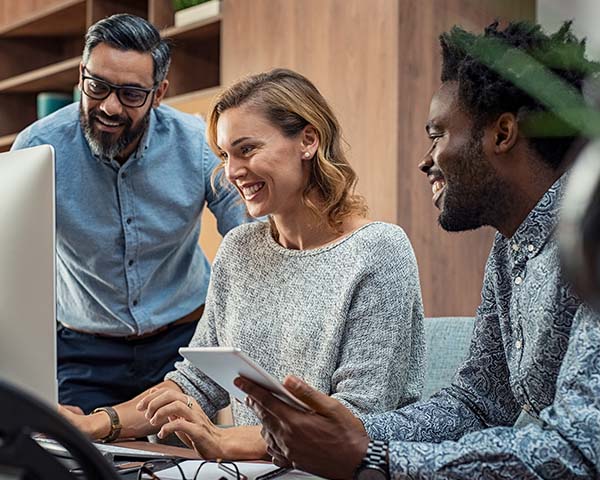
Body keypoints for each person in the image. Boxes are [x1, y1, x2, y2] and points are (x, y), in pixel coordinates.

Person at [237, 21, 600, 478]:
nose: (426, 160)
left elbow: (579, 451)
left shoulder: (591, 236)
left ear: (502, 134)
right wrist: (358, 433)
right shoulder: (512, 246)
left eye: (438, 134)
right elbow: (477, 404)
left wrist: (377, 459)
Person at [60, 68, 425, 459]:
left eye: (247, 149)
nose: (231, 172)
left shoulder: (380, 250)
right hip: (256, 468)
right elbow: (195, 382)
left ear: (308, 140)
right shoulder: (239, 249)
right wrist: (98, 423)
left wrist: (224, 441)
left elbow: (357, 420)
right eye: (225, 155)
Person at [10, 14, 248, 413]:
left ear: (159, 93)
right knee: (80, 463)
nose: (109, 106)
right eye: (97, 86)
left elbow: (250, 236)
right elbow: (11, 262)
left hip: (183, 346)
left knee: (181, 468)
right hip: (84, 353)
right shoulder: (37, 149)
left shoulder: (196, 145)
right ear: (82, 73)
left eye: (131, 94)